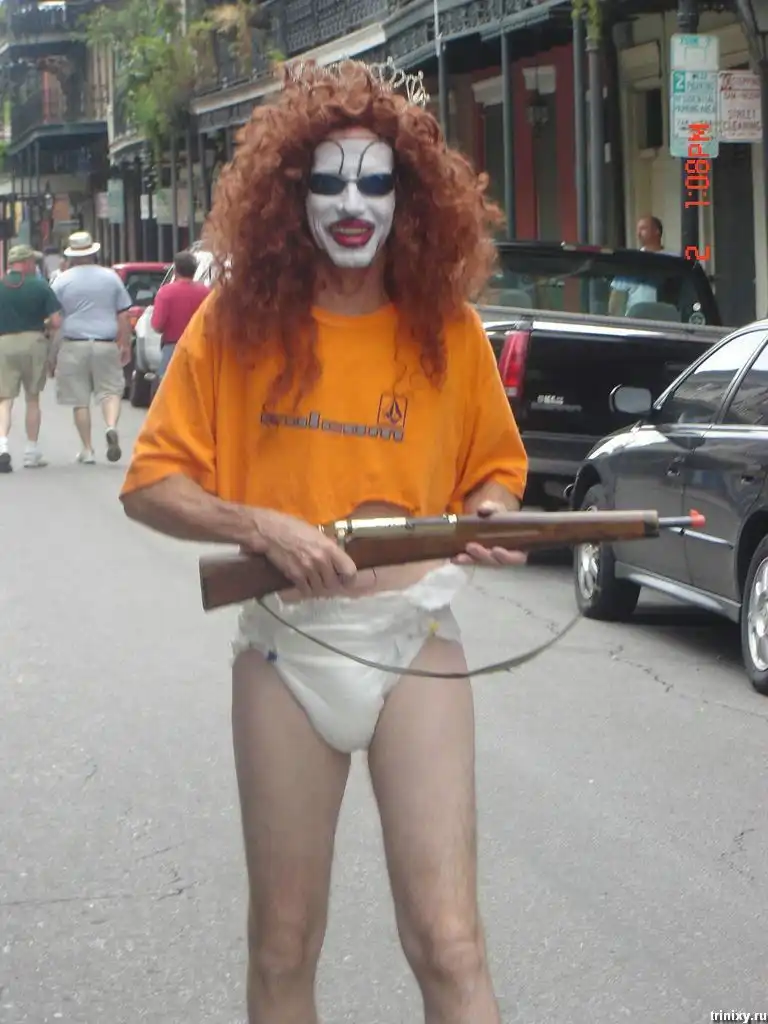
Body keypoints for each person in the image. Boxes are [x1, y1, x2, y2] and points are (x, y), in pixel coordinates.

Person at [119, 59, 528, 1024]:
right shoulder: (234, 326)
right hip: (286, 649)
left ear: (409, 200)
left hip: (415, 640)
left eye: (376, 182)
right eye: (328, 183)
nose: (352, 205)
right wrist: (257, 524)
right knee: (283, 943)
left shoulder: (449, 331)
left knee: (451, 942)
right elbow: (151, 485)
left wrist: (492, 513)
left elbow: (495, 471)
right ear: (289, 195)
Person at [51, 231, 133, 465]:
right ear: (93, 252)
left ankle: (87, 449)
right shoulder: (111, 278)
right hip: (106, 343)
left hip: (74, 344)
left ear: (71, 256)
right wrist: (125, 343)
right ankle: (111, 426)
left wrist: (52, 353)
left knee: (79, 399)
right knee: (111, 391)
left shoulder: (62, 280)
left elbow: (55, 318)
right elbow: (123, 315)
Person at [0, 244, 61, 472]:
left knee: (5, 399)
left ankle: (2, 446)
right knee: (32, 398)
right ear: (26, 263)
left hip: (4, 343)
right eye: (32, 262)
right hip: (34, 341)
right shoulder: (40, 285)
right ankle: (31, 452)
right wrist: (44, 324)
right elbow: (56, 321)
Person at [150, 250, 209, 383]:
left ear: (175, 271)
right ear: (195, 270)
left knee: (169, 386)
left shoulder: (165, 292)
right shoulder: (206, 293)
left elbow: (157, 325)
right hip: (200, 348)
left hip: (173, 348)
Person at [608, 214, 665, 315]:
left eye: (643, 229)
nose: (638, 233)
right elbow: (617, 297)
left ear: (657, 231)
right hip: (636, 320)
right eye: (638, 230)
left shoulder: (673, 259)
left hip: (667, 319)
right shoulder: (631, 261)